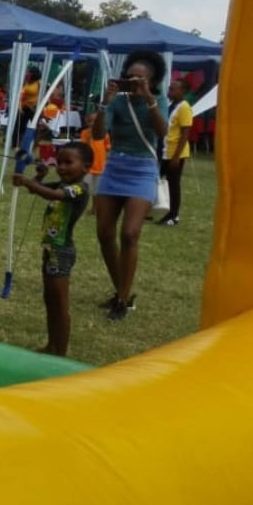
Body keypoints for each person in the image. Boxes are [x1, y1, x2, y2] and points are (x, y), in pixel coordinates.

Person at [92, 50, 168, 320]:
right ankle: (120, 290)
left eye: (139, 78)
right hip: (115, 166)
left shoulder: (158, 100)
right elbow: (98, 134)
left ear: (152, 80)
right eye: (129, 77)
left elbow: (162, 132)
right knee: (104, 232)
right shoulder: (117, 101)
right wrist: (105, 103)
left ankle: (123, 300)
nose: (133, 81)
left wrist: (149, 99)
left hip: (142, 170)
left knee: (130, 233)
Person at [12, 142, 93, 356]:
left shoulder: (80, 189)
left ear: (86, 167)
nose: (62, 167)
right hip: (51, 249)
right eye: (59, 163)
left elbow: (55, 195)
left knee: (60, 304)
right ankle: (52, 345)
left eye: (68, 162)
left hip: (62, 251)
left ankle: (61, 353)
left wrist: (28, 181)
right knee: (50, 301)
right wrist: (38, 177)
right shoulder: (62, 184)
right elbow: (38, 189)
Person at [158, 78, 193, 226]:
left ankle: (174, 215)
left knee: (173, 183)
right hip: (165, 150)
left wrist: (176, 157)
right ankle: (153, 208)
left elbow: (185, 133)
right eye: (169, 88)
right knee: (155, 179)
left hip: (175, 153)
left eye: (173, 89)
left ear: (183, 91)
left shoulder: (184, 108)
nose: (169, 91)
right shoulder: (171, 105)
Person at [80, 112, 111, 215]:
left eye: (96, 121)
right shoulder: (85, 133)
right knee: (85, 188)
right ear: (87, 122)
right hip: (88, 166)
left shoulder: (104, 134)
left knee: (97, 190)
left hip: (100, 166)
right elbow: (83, 146)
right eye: (90, 121)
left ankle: (94, 208)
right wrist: (89, 136)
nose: (93, 124)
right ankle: (82, 207)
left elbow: (108, 148)